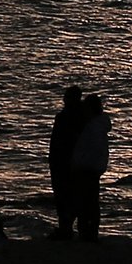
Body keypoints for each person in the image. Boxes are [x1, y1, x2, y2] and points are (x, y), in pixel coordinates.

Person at [47, 85, 87, 240]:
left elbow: (57, 141)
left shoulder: (65, 117)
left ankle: (66, 228)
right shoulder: (83, 117)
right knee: (72, 195)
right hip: (73, 161)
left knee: (63, 195)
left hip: (63, 160)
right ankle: (68, 227)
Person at [69, 92, 110, 242]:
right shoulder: (97, 126)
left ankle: (88, 233)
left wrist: (79, 163)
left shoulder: (94, 127)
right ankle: (89, 232)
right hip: (92, 168)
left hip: (87, 168)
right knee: (90, 202)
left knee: (86, 202)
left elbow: (91, 149)